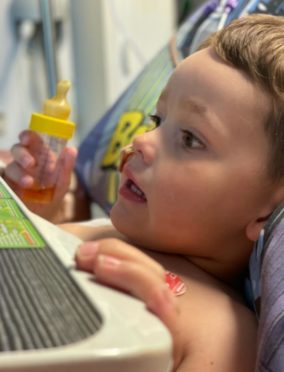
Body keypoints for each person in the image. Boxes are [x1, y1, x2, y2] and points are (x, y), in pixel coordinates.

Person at [3, 13, 284, 371]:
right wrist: (37, 218)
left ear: (265, 212)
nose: (141, 140)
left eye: (190, 139)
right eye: (158, 120)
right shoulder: (105, 229)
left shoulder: (222, 332)